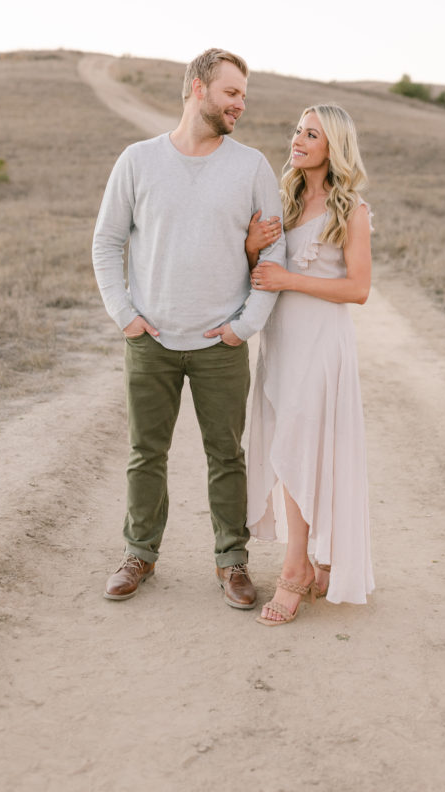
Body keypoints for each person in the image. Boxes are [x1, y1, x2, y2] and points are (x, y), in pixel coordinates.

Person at [92, 48, 285, 608]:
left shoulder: (250, 167)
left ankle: (233, 563)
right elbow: (107, 242)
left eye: (244, 96)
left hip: (219, 344)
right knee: (144, 453)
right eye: (231, 93)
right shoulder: (138, 160)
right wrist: (124, 315)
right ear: (198, 89)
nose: (240, 105)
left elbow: (273, 254)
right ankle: (139, 555)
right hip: (150, 340)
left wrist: (243, 327)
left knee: (226, 456)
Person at [246, 103, 374, 626]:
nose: (298, 139)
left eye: (312, 134)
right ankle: (319, 556)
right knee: (289, 448)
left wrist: (289, 280)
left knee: (299, 448)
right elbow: (260, 272)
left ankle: (296, 569)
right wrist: (253, 249)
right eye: (297, 129)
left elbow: (358, 289)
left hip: (322, 347)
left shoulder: (353, 210)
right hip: (281, 344)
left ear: (333, 147)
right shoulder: (283, 200)